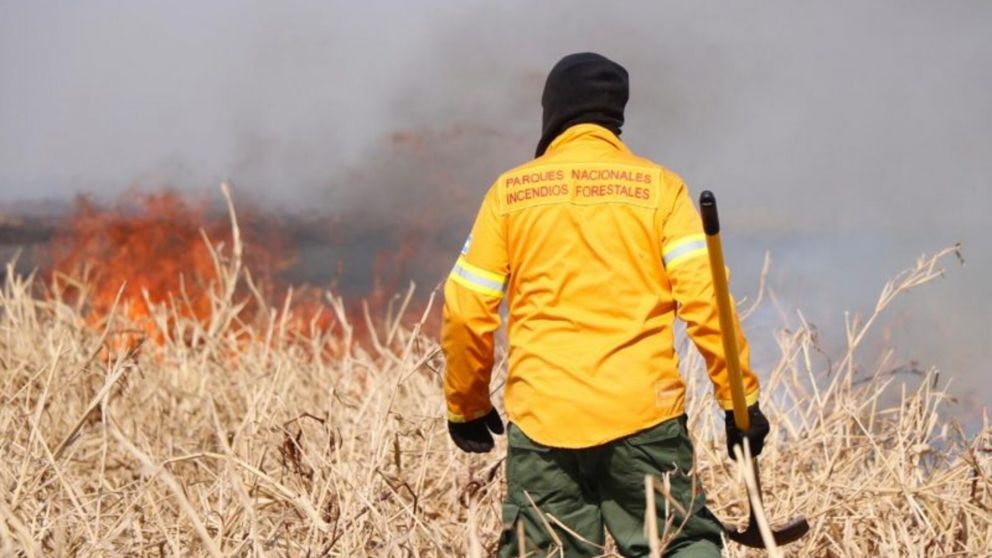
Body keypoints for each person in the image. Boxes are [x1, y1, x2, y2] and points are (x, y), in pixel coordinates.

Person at [440, 52, 770, 557]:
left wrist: (467, 403)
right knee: (680, 543)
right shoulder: (661, 189)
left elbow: (467, 308)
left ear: (553, 110)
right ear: (615, 116)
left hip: (543, 417)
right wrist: (738, 404)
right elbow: (709, 304)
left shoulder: (509, 194)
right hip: (644, 414)